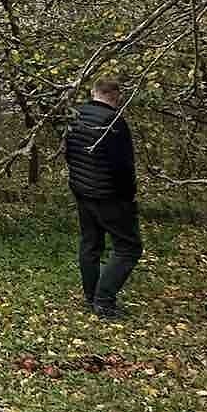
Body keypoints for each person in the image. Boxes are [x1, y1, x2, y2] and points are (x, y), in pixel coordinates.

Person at [63, 76, 142, 320]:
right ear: (115, 95)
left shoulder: (76, 116)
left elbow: (70, 153)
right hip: (110, 196)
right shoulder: (113, 122)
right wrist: (128, 196)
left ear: (94, 92)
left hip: (83, 191)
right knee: (129, 248)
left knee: (90, 244)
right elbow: (123, 166)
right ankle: (104, 301)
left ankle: (91, 297)